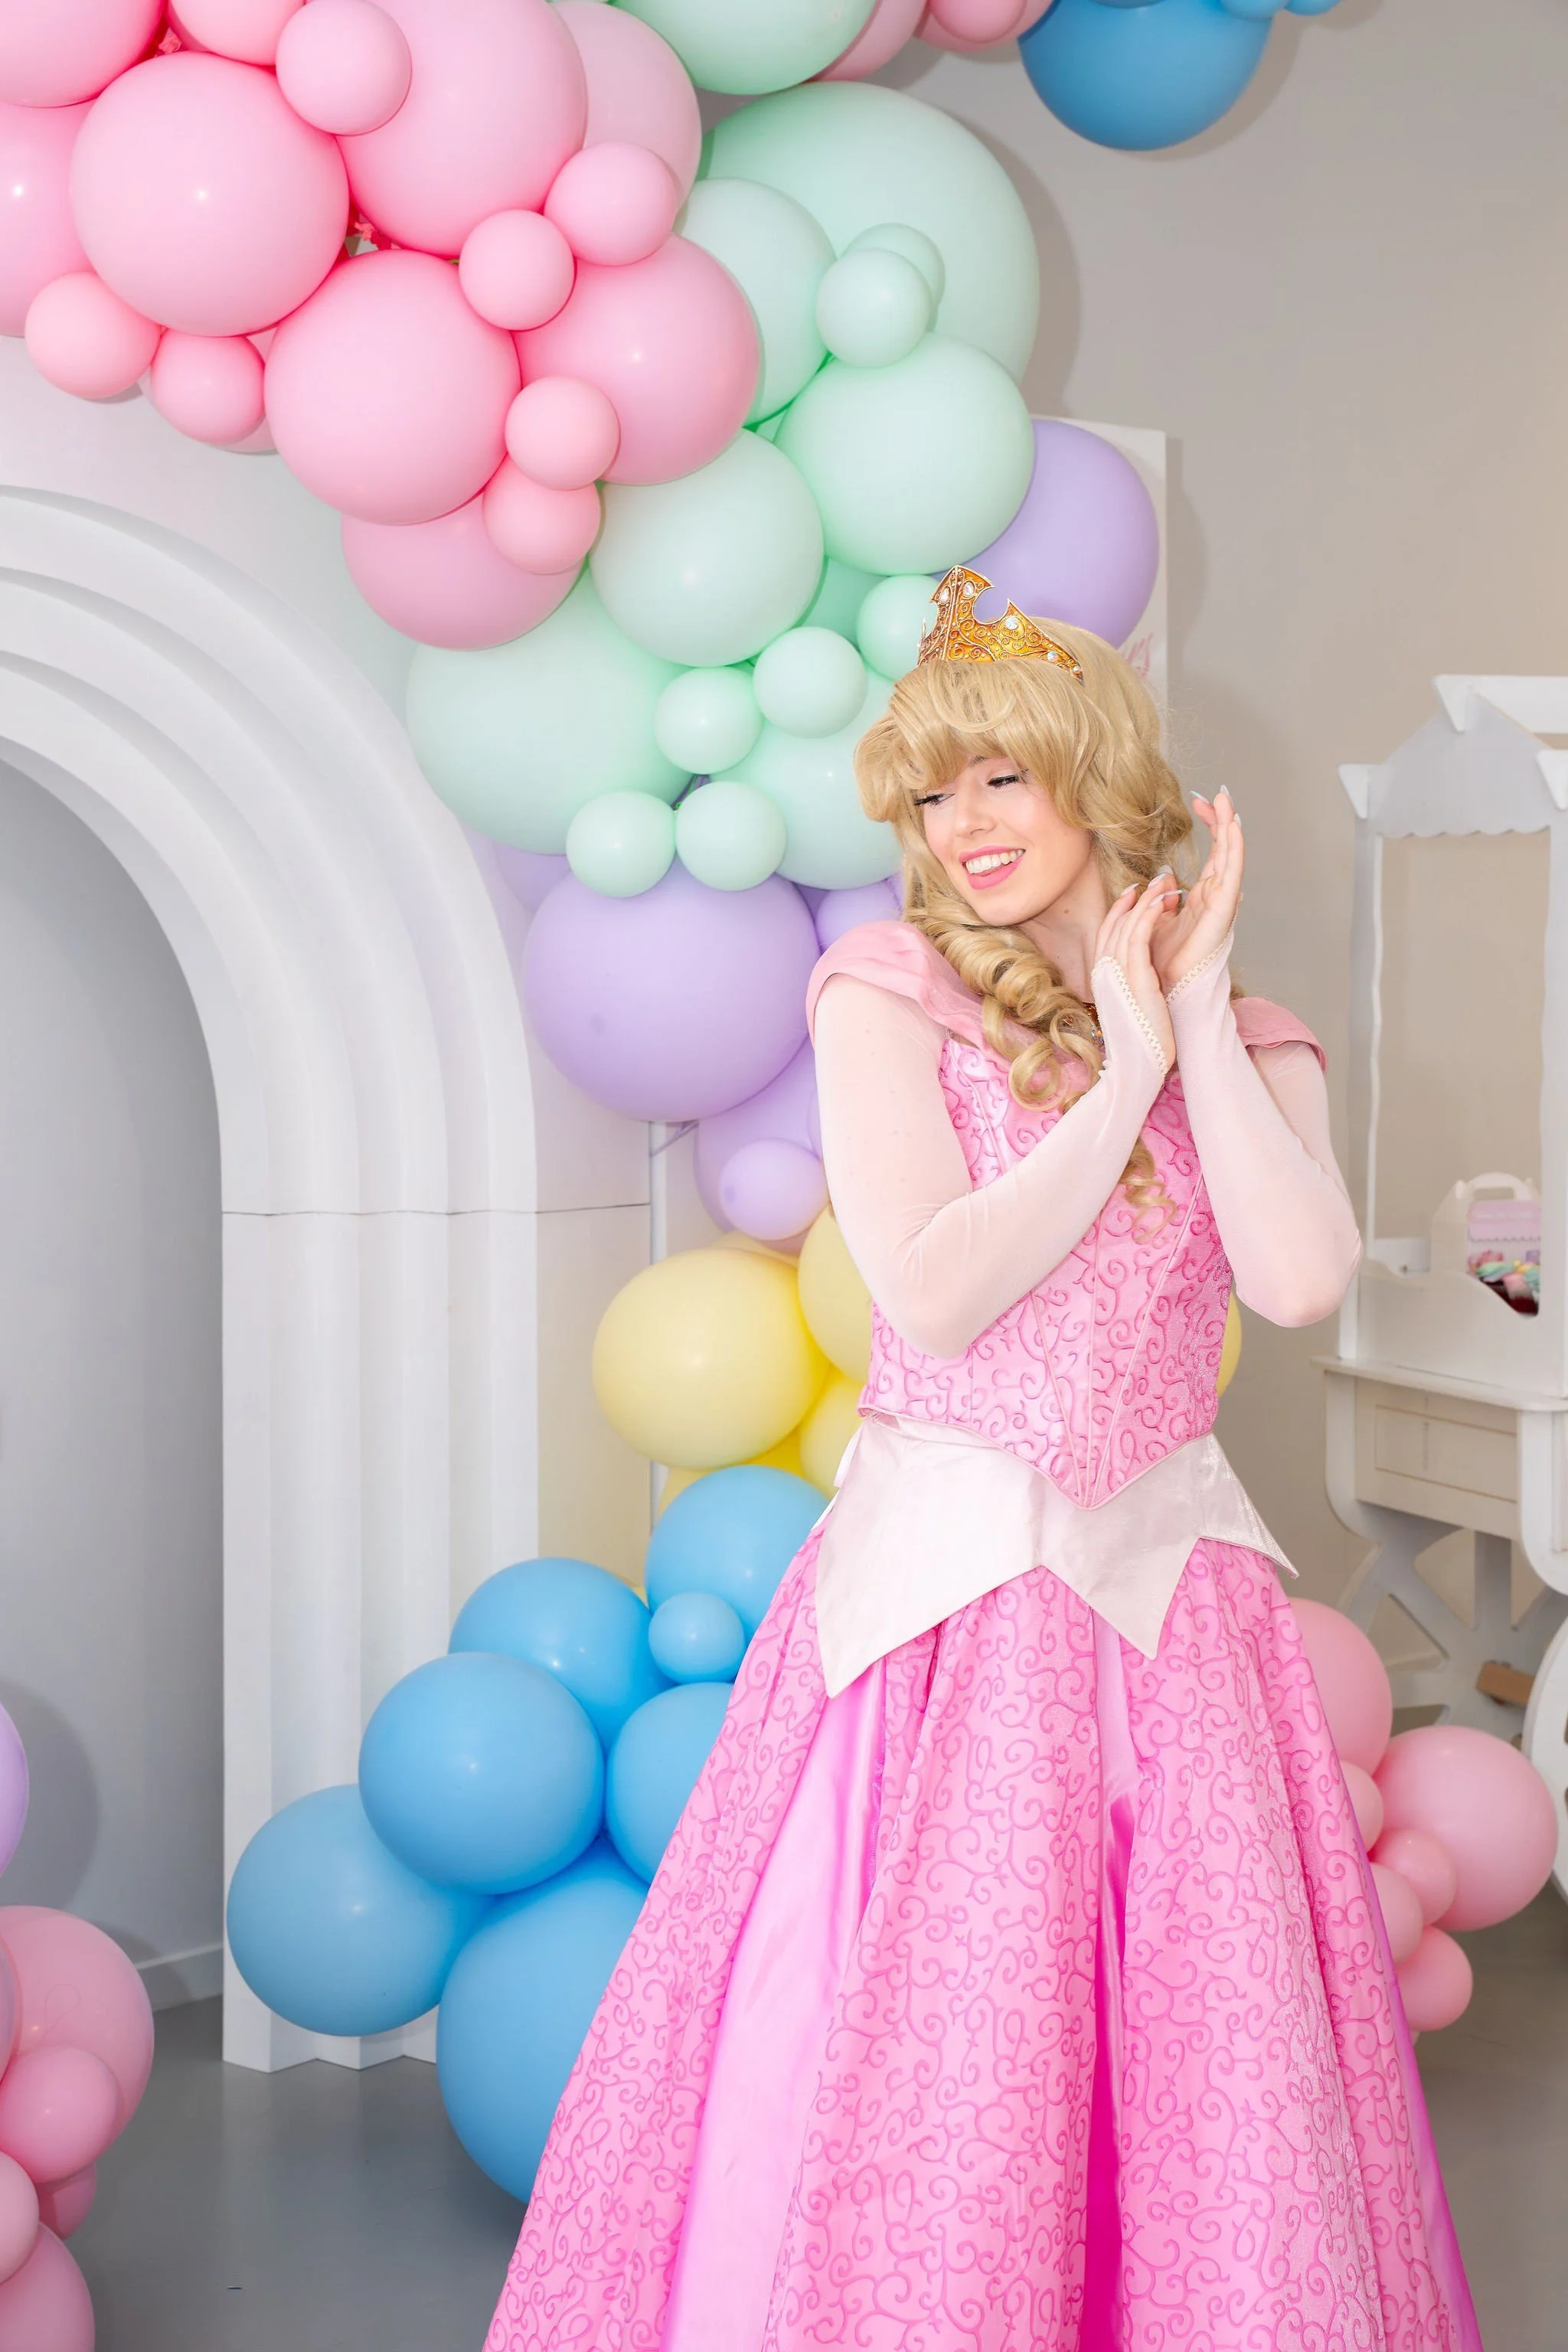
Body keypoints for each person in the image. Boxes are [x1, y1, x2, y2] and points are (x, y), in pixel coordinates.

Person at [485, 568, 1483, 2352]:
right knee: (948, 2061)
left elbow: (1302, 1275)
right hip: (942, 1615)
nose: (963, 830)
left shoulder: (1249, 1044)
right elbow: (934, 1293)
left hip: (1174, 1614)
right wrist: (1120, 1085)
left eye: (1001, 779)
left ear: (1096, 781)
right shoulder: (885, 994)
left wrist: (1202, 1012)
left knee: (1200, 2084)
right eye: (932, 797)